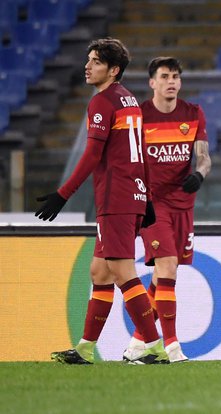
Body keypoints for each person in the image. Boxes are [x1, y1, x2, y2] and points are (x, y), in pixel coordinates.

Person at [35, 38, 169, 365]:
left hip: (116, 197)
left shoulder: (102, 102)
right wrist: (146, 196)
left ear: (113, 70)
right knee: (100, 271)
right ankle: (84, 348)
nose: (87, 66)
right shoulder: (130, 100)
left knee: (122, 271)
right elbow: (140, 153)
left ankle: (154, 346)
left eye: (95, 62)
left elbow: (93, 154)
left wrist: (62, 194)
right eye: (89, 60)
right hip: (131, 193)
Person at [121, 57, 211, 363]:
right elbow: (127, 159)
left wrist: (199, 174)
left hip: (183, 205)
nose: (171, 81)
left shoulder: (193, 113)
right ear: (152, 83)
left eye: (175, 76)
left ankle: (136, 342)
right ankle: (171, 346)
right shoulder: (140, 116)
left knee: (163, 276)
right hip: (150, 204)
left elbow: (205, 157)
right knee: (168, 266)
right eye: (165, 76)